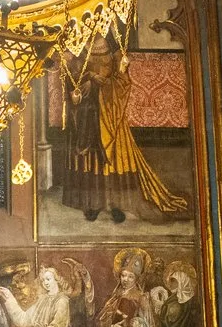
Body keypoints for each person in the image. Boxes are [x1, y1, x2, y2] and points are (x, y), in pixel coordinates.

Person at [61, 45, 187, 222]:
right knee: (94, 158)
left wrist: (119, 73)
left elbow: (122, 81)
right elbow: (73, 80)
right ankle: (94, 203)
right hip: (88, 112)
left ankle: (114, 204)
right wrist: (89, 80)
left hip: (110, 111)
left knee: (113, 158)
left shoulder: (115, 49)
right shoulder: (80, 48)